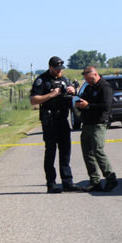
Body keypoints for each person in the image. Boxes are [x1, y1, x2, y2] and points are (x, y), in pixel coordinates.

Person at [29, 56, 80, 193]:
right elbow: (33, 100)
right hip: (50, 121)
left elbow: (71, 96)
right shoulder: (42, 80)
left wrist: (73, 91)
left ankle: (67, 182)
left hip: (63, 119)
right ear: (51, 67)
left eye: (61, 69)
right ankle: (51, 183)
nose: (59, 71)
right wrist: (51, 95)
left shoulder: (64, 79)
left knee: (65, 152)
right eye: (57, 69)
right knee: (50, 152)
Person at [75, 66, 118, 192]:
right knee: (87, 152)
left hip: (99, 123)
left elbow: (106, 106)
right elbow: (85, 101)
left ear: (95, 74)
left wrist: (88, 105)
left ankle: (110, 178)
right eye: (85, 79)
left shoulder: (104, 87)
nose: (87, 81)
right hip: (87, 123)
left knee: (98, 150)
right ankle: (95, 181)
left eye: (88, 78)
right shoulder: (89, 87)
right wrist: (80, 104)